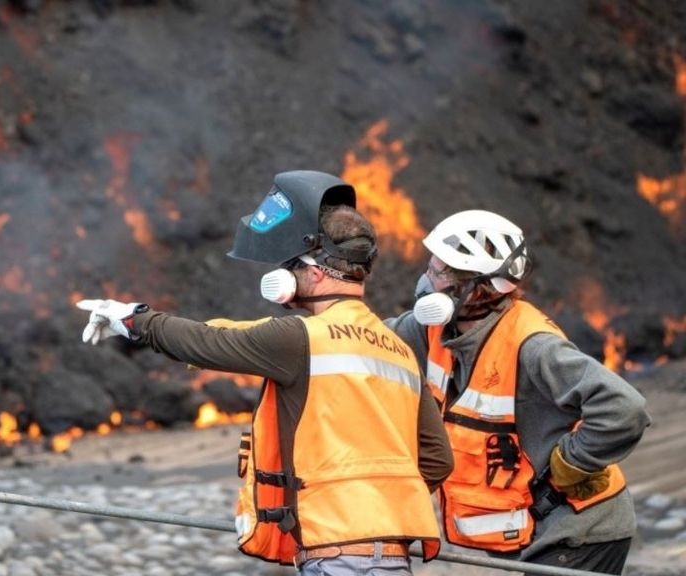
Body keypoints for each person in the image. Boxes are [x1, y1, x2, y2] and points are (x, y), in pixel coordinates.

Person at [77, 170, 452, 575]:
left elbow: (204, 344)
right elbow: (436, 459)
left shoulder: (299, 337)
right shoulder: (398, 351)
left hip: (338, 550)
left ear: (316, 270)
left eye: (291, 265)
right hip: (393, 553)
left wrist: (133, 319)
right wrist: (378, 500)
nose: (285, 274)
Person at [388, 209, 651, 575]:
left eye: (439, 272)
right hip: (530, 534)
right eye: (431, 267)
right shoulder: (433, 331)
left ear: (476, 287)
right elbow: (375, 345)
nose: (425, 280)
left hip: (579, 534)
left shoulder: (533, 347)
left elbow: (625, 408)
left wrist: (570, 463)